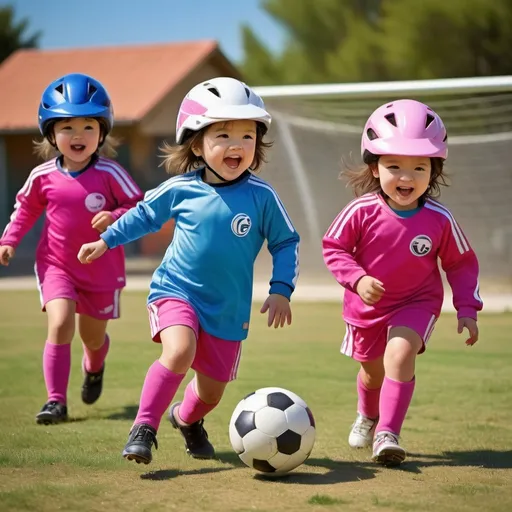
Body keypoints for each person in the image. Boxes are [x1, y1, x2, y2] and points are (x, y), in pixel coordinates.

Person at [78, 77, 300, 465]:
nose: (237, 145)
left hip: (228, 310)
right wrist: (107, 239)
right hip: (176, 291)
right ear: (196, 143)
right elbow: (144, 215)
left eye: (247, 136)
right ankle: (143, 429)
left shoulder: (262, 197)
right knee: (179, 351)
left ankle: (185, 419)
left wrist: (281, 288)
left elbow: (285, 242)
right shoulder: (180, 188)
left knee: (211, 394)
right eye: (224, 135)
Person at [322, 99, 482, 466]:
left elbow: (461, 264)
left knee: (400, 354)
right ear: (375, 168)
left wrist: (467, 308)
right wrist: (357, 279)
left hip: (417, 301)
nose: (406, 177)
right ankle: (367, 414)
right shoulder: (359, 211)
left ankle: (387, 433)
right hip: (366, 310)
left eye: (419, 167)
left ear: (434, 170)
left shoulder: (440, 219)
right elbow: (334, 248)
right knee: (372, 371)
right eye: (394, 166)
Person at [0, 73, 143, 424]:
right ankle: (56, 401)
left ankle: (94, 367)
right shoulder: (42, 175)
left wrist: (114, 215)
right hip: (56, 265)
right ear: (51, 134)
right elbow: (26, 209)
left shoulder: (111, 172)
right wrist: (8, 240)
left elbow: (139, 206)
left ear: (102, 132)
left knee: (92, 339)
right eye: (66, 127)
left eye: (87, 127)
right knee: (60, 323)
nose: (77, 136)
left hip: (101, 269)